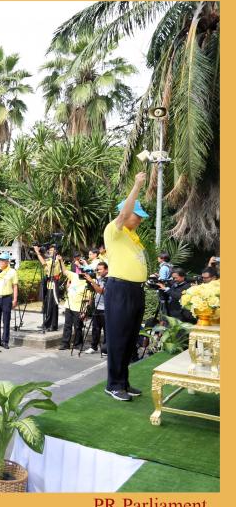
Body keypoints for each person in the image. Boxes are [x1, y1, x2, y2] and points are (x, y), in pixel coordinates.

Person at [103, 171, 148, 402]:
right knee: (118, 337)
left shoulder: (131, 237)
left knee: (130, 338)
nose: (140, 220)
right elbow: (123, 214)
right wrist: (137, 185)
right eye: (137, 216)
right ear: (127, 213)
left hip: (135, 291)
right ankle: (113, 384)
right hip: (120, 289)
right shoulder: (115, 230)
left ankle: (124, 382)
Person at [56, 255, 87, 351]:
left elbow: (88, 298)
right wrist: (61, 260)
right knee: (67, 325)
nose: (79, 269)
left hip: (79, 307)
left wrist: (84, 310)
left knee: (78, 326)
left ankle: (78, 344)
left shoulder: (88, 280)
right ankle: (65, 343)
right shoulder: (74, 276)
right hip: (69, 305)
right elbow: (64, 271)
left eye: (81, 267)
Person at [33, 244, 61, 331]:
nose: (50, 252)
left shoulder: (56, 260)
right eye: (49, 250)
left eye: (52, 250)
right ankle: (48, 324)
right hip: (50, 281)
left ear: (56, 251)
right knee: (48, 303)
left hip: (54, 282)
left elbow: (44, 263)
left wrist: (37, 252)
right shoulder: (51, 259)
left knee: (52, 304)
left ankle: (52, 325)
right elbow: (45, 262)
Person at [82, 261, 108, 354]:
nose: (98, 271)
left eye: (100, 269)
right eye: (97, 269)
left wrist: (92, 281)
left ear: (106, 270)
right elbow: (94, 290)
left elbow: (101, 291)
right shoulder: (99, 279)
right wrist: (90, 283)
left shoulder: (108, 280)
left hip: (106, 308)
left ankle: (106, 349)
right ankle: (93, 347)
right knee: (95, 328)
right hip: (97, 307)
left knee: (106, 330)